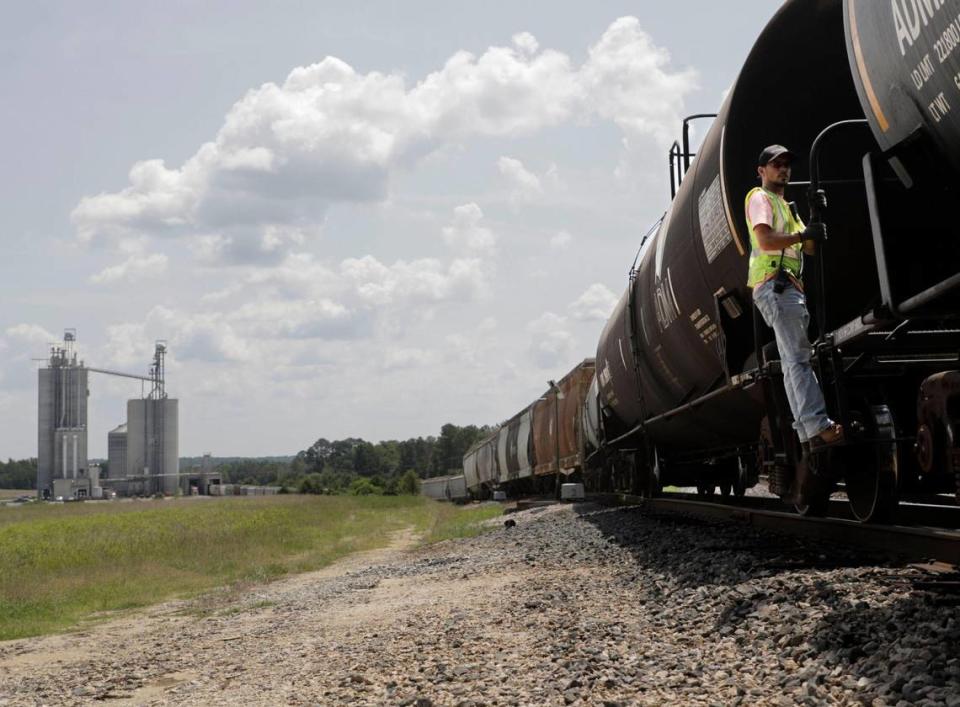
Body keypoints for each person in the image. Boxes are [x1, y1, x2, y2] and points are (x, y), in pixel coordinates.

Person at [746, 144, 843, 449]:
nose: (783, 169)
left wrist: (814, 214)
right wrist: (804, 235)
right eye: (776, 164)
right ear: (762, 171)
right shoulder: (760, 198)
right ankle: (817, 424)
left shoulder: (786, 207)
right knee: (798, 359)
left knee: (792, 362)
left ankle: (806, 429)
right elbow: (764, 239)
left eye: (787, 164)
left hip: (787, 288)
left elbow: (809, 248)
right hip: (776, 286)